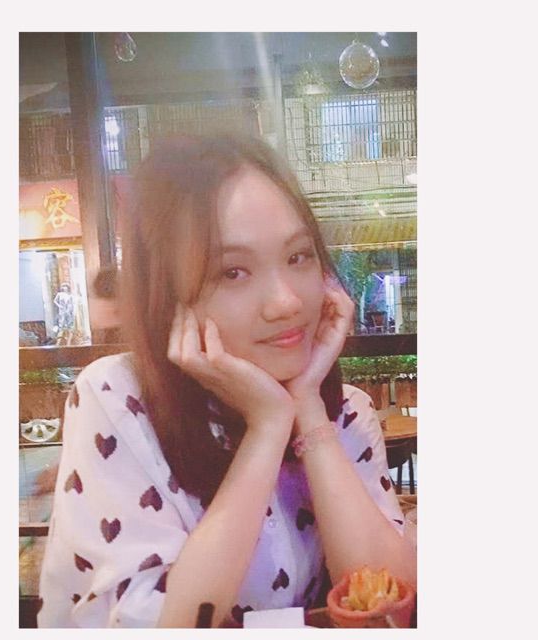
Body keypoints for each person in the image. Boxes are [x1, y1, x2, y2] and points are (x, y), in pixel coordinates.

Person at [38, 133, 416, 628]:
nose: (286, 302)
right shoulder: (115, 398)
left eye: (298, 256)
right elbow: (157, 626)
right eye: (233, 272)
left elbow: (389, 604)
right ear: (170, 294)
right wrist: (267, 428)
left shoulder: (345, 410)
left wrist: (306, 406)